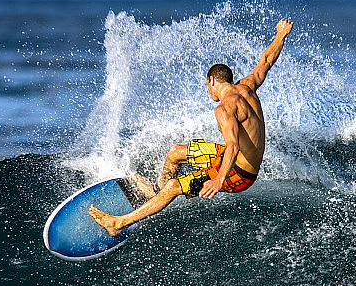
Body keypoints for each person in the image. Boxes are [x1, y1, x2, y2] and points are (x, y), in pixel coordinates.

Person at [90, 18, 294, 236]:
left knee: (174, 187)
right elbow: (266, 60)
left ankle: (119, 223)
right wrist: (280, 36)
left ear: (211, 81)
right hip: (233, 158)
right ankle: (156, 196)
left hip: (240, 174)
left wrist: (219, 180)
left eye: (208, 87)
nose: (209, 93)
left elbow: (233, 145)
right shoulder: (248, 86)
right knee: (175, 153)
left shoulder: (225, 109)